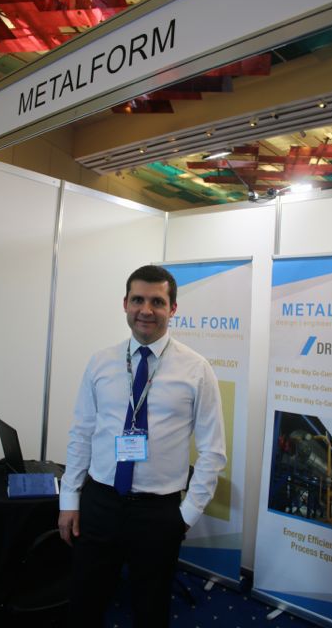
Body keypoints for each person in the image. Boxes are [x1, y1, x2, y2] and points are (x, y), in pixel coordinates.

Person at [58, 264, 226, 628]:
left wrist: (186, 515)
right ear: (125, 303)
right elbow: (82, 433)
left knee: (151, 611)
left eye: (157, 302)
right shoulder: (101, 362)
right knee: (84, 604)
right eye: (138, 300)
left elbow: (213, 451)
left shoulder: (196, 369)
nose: (146, 310)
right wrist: (69, 499)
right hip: (100, 503)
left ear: (173, 308)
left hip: (158, 514)